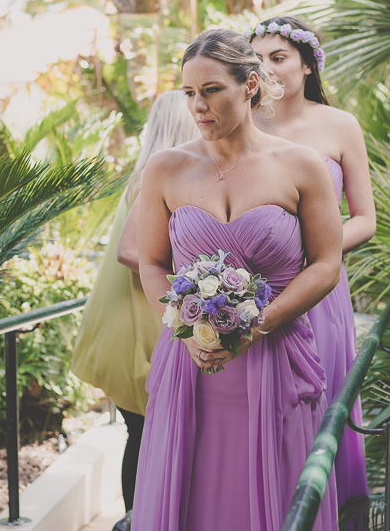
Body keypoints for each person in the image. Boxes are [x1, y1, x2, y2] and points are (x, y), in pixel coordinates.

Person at [131, 29, 343, 531]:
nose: (198, 106)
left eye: (211, 91)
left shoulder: (301, 165)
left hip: (276, 357)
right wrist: (188, 329)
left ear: (250, 86)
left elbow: (326, 264)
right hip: (191, 363)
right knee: (194, 493)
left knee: (278, 496)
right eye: (189, 93)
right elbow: (151, 264)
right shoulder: (165, 169)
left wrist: (255, 325)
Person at [247, 16, 378, 505]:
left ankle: (325, 505)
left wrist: (318, 252)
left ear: (307, 64)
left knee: (319, 396)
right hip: (257, 286)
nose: (267, 69)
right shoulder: (246, 126)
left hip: (320, 288)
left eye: (278, 57)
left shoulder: (339, 125)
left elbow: (365, 218)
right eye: (256, 60)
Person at [70, 90, 199, 531]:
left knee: (144, 436)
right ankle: (135, 522)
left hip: (131, 324)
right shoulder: (154, 175)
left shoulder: (156, 173)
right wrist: (193, 273)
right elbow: (130, 250)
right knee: (144, 436)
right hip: (135, 330)